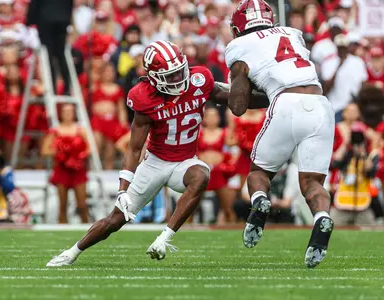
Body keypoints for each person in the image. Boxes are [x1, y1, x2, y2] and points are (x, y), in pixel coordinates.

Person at [46, 40, 269, 267]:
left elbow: (237, 99)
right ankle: (72, 252)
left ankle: (164, 239)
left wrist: (275, 96)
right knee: (115, 220)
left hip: (184, 162)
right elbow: (134, 148)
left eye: (180, 71)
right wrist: (122, 189)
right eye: (171, 76)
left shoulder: (199, 80)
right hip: (154, 163)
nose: (179, 79)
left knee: (201, 174)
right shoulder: (144, 97)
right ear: (154, 77)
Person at [224, 0, 335, 268]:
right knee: (312, 184)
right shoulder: (292, 34)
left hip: (286, 104)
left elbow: (238, 106)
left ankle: (260, 202)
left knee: (258, 173)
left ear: (237, 28)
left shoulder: (239, 46)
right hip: (321, 104)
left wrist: (232, 90)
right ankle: (321, 216)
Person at [42, 103, 90, 224]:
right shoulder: (55, 130)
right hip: (62, 169)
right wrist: (59, 154)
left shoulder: (80, 130)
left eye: (70, 111)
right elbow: (45, 150)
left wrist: (78, 157)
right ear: (61, 114)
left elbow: (90, 149)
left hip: (78, 170)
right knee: (62, 205)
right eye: (65, 111)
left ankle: (88, 232)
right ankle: (63, 228)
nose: (68, 114)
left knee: (82, 205)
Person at [198, 104, 237, 224]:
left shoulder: (224, 132)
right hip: (202, 172)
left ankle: (233, 229)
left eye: (214, 116)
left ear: (219, 118)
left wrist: (228, 164)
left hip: (220, 173)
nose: (211, 119)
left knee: (227, 208)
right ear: (203, 118)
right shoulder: (198, 133)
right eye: (208, 116)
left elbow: (235, 147)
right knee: (190, 207)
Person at [26, 0, 73, 95]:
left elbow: (35, 3)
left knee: (48, 54)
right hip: (62, 19)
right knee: (61, 54)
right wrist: (67, 18)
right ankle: (67, 86)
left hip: (46, 20)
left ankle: (53, 86)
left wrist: (29, 21)